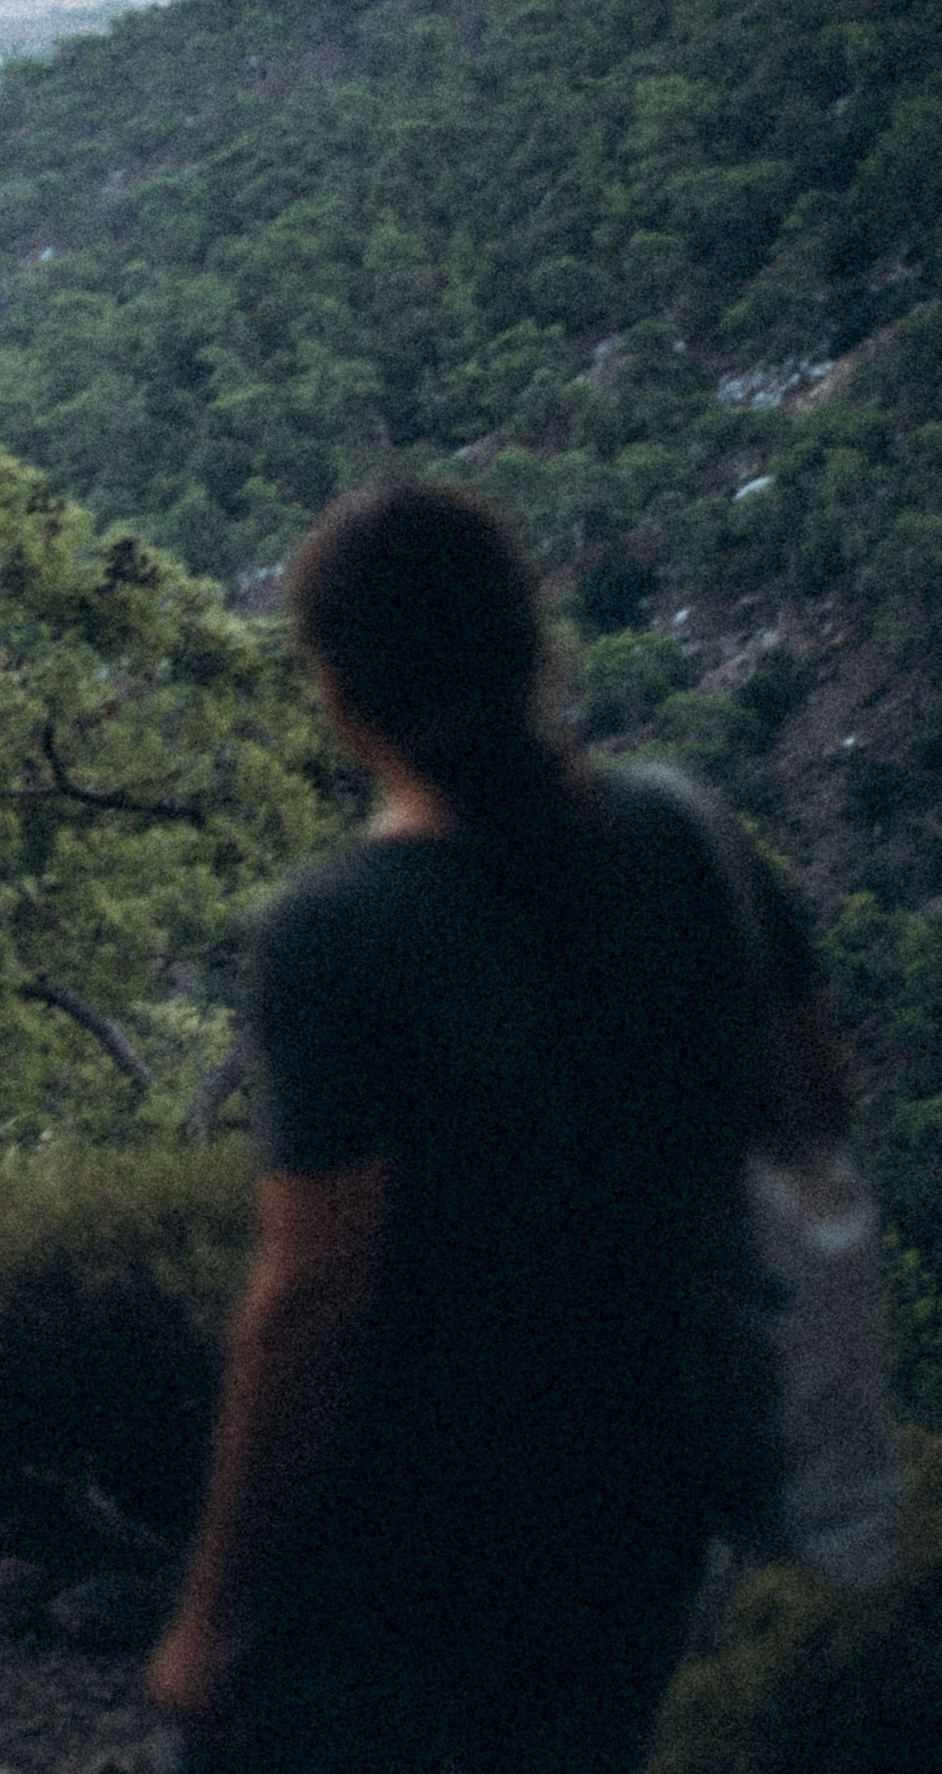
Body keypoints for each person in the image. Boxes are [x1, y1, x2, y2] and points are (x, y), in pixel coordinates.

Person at [146, 479, 846, 1774]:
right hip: (637, 1513)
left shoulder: (340, 931)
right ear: (534, 643)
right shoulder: (690, 842)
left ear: (341, 696)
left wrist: (210, 1604)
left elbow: (312, 1298)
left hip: (387, 1549)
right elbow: (815, 1103)